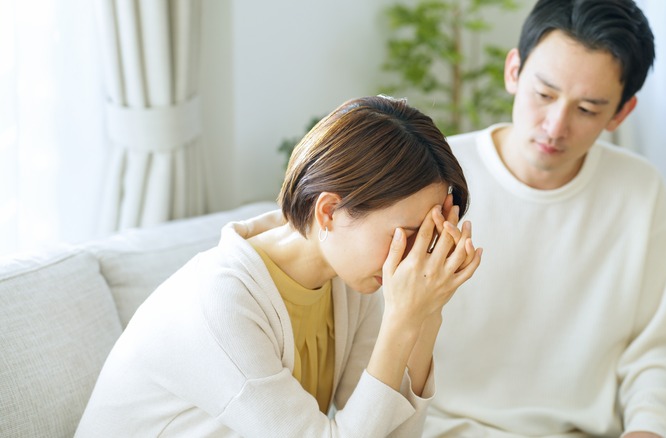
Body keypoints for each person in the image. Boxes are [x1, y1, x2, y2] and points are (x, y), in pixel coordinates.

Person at [76, 96, 483, 437]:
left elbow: (390, 432)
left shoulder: (350, 279)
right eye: (406, 235)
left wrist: (426, 314)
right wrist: (402, 320)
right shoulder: (221, 303)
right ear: (329, 211)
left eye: (426, 238)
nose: (414, 259)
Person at [423, 1, 666, 437]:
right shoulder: (432, 176)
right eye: (544, 94)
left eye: (587, 109)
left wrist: (650, 427)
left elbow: (660, 351)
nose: (555, 127)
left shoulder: (640, 191)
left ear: (621, 113)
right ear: (514, 71)